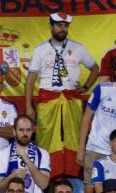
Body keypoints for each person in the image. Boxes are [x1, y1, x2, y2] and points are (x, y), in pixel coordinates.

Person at [23, 12, 99, 179]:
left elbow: (95, 68)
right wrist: (28, 105)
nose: (62, 28)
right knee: (46, 139)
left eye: (65, 25)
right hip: (48, 102)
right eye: (58, 25)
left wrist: (86, 87)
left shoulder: (78, 48)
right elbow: (30, 81)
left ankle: (72, 180)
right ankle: (47, 180)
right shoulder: (40, 50)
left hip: (71, 100)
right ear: (51, 26)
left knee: (74, 138)